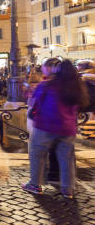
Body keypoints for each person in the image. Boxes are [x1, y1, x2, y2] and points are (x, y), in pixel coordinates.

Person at [22, 59, 89, 198]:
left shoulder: (46, 85)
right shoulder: (77, 88)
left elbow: (35, 102)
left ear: (57, 71)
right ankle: (68, 189)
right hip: (68, 128)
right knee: (66, 158)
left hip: (45, 125)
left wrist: (29, 94)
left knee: (37, 154)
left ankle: (35, 184)